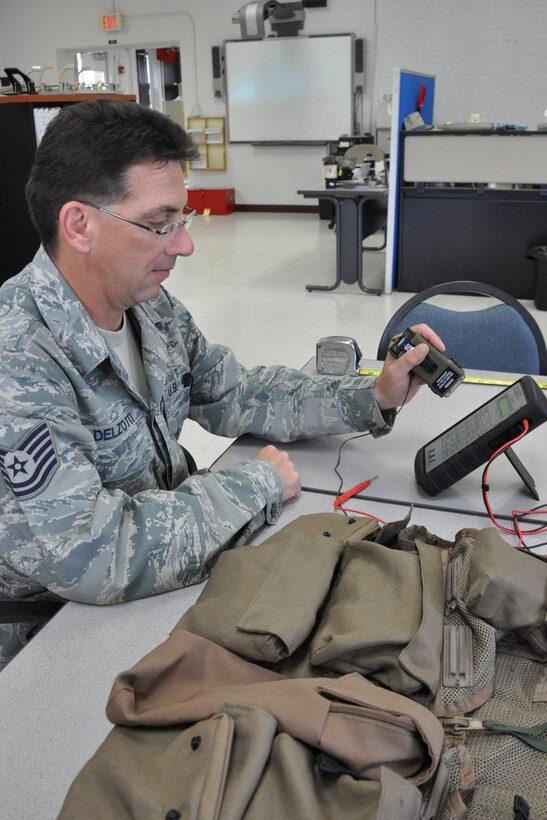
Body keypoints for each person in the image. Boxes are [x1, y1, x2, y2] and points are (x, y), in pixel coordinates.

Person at [0, 99, 443, 670]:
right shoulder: (19, 357)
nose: (183, 245)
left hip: (176, 562)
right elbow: (90, 552)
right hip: (65, 631)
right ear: (79, 225)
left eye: (182, 221)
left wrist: (372, 395)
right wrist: (253, 486)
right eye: (160, 224)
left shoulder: (149, 307)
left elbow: (235, 392)